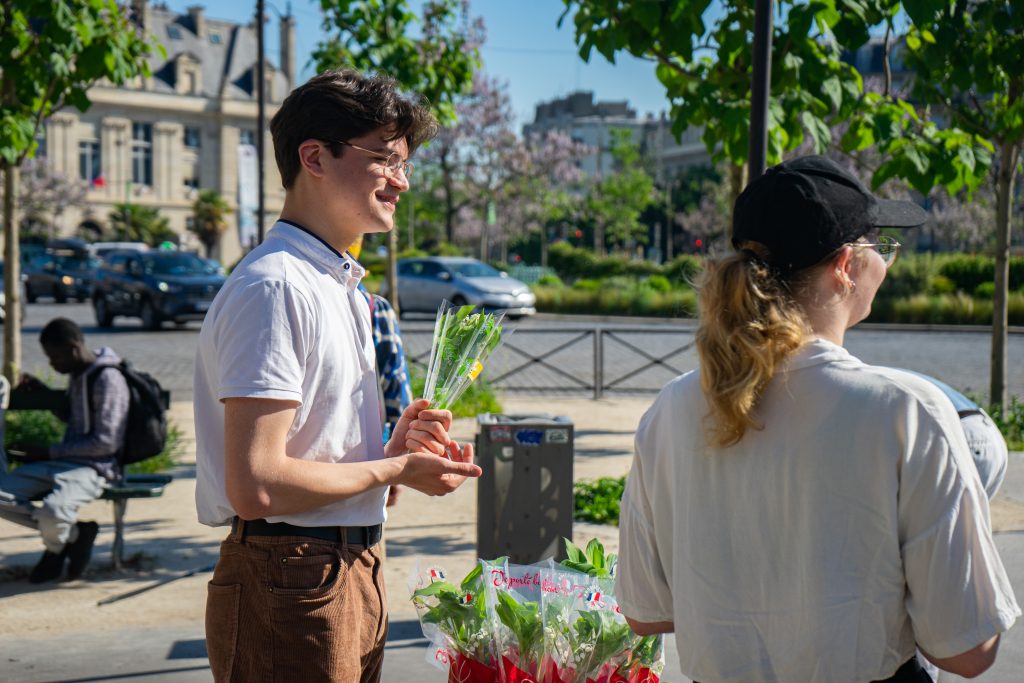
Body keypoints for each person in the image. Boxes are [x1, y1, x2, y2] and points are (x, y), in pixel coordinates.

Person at [615, 156, 1020, 682]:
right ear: (847, 266)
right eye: (884, 248)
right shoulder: (907, 411)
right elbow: (968, 651)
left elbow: (646, 614)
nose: (887, 263)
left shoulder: (670, 408)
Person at [193, 69, 482, 682]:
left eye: (403, 163)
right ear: (314, 157)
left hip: (340, 563)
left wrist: (389, 449)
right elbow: (258, 485)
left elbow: (306, 457)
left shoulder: (339, 284)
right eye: (383, 159)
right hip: (290, 571)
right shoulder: (275, 286)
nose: (401, 180)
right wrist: (396, 468)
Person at [0, 318, 129, 583]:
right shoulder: (78, 375)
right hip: (62, 463)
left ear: (73, 348)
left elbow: (107, 442)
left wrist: (47, 452)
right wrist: (45, 394)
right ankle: (73, 535)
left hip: (95, 468)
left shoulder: (108, 379)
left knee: (54, 511)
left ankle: (55, 548)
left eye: (54, 357)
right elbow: (78, 421)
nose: (52, 364)